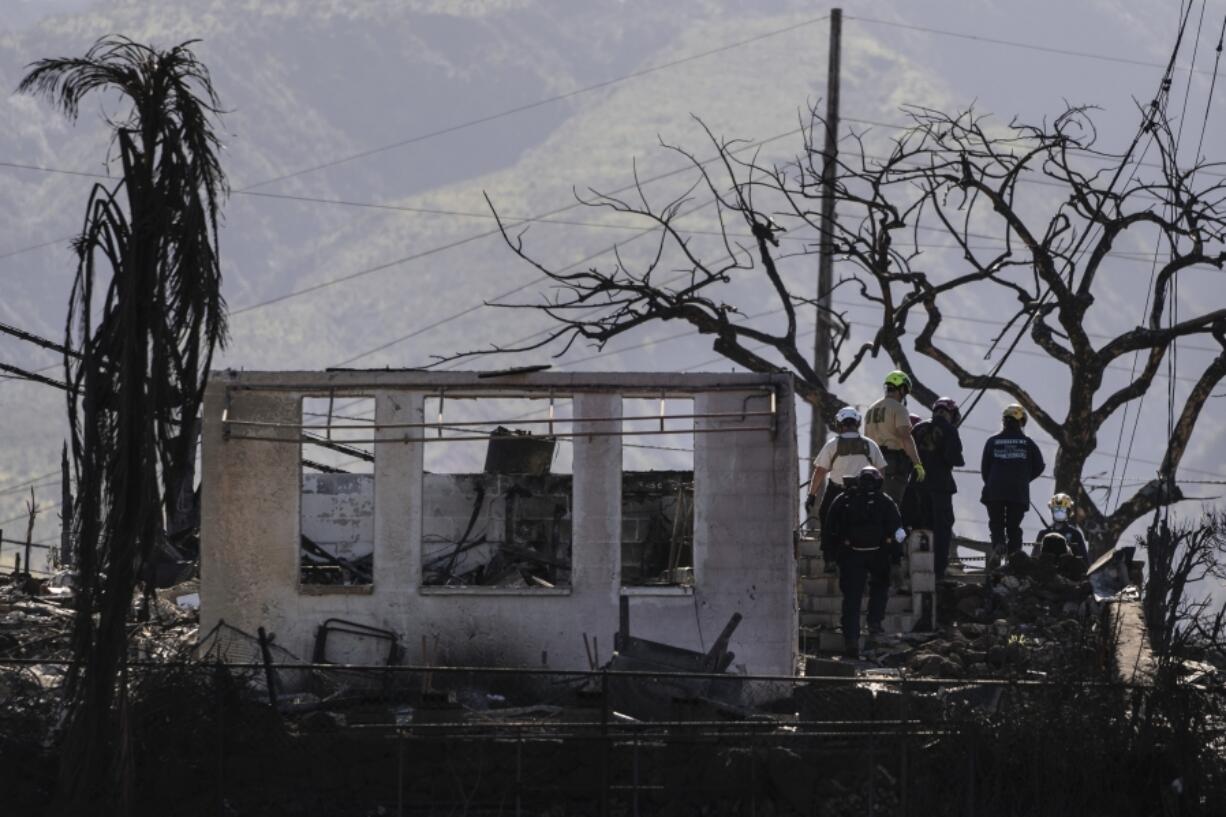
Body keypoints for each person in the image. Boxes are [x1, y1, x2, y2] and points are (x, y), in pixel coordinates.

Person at [823, 466, 906, 659]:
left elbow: (829, 529)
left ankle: (851, 640)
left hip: (851, 555)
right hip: (878, 555)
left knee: (851, 599)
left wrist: (830, 557)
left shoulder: (844, 500)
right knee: (880, 588)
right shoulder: (885, 502)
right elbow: (899, 532)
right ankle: (875, 625)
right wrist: (897, 558)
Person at [805, 406, 887, 573]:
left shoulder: (832, 445)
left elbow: (820, 471)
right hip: (863, 493)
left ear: (839, 424)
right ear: (857, 423)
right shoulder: (870, 444)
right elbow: (881, 470)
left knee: (826, 518)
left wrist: (811, 495)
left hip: (836, 491)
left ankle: (829, 559)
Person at [980, 403, 1045, 559]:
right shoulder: (1028, 443)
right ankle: (1015, 557)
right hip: (1018, 492)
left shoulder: (992, 441)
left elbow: (985, 469)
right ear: (1021, 421)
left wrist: (993, 482)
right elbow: (1040, 466)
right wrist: (1024, 479)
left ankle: (998, 547)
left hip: (994, 491)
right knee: (1013, 527)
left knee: (996, 524)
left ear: (1004, 421)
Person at [911, 397, 965, 579]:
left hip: (917, 487)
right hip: (940, 486)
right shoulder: (950, 430)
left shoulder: (917, 429)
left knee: (920, 526)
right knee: (942, 529)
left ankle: (917, 567)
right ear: (951, 413)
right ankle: (938, 570)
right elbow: (955, 459)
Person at [864, 370, 926, 507]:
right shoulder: (899, 409)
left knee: (872, 502)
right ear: (902, 389)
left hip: (871, 462)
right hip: (892, 464)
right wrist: (917, 463)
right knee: (890, 504)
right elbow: (906, 437)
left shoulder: (870, 410)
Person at [1034, 493, 1089, 563]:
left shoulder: (1075, 534)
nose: (1059, 512)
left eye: (1062, 509)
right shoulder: (1043, 534)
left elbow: (1084, 561)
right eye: (1057, 509)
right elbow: (1035, 558)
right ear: (1052, 511)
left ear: (1069, 512)